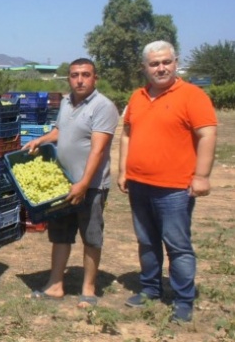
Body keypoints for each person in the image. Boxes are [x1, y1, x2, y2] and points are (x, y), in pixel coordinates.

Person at [118, 40, 217, 323]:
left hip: (174, 188)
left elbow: (207, 135)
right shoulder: (137, 97)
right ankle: (150, 289)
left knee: (177, 245)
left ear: (175, 63)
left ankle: (183, 299)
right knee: (146, 241)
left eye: (166, 62)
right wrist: (123, 170)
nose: (161, 68)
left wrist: (202, 175)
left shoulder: (192, 96)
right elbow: (126, 133)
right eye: (154, 63)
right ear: (144, 68)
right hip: (139, 184)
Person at [22, 58, 119, 308]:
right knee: (61, 235)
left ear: (94, 78)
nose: (80, 79)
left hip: (91, 186)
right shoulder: (66, 102)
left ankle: (88, 289)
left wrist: (84, 183)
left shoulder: (103, 107)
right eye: (75, 75)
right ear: (69, 78)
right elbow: (60, 132)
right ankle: (56, 285)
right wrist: (40, 140)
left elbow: (98, 150)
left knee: (91, 236)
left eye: (85, 75)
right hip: (63, 183)